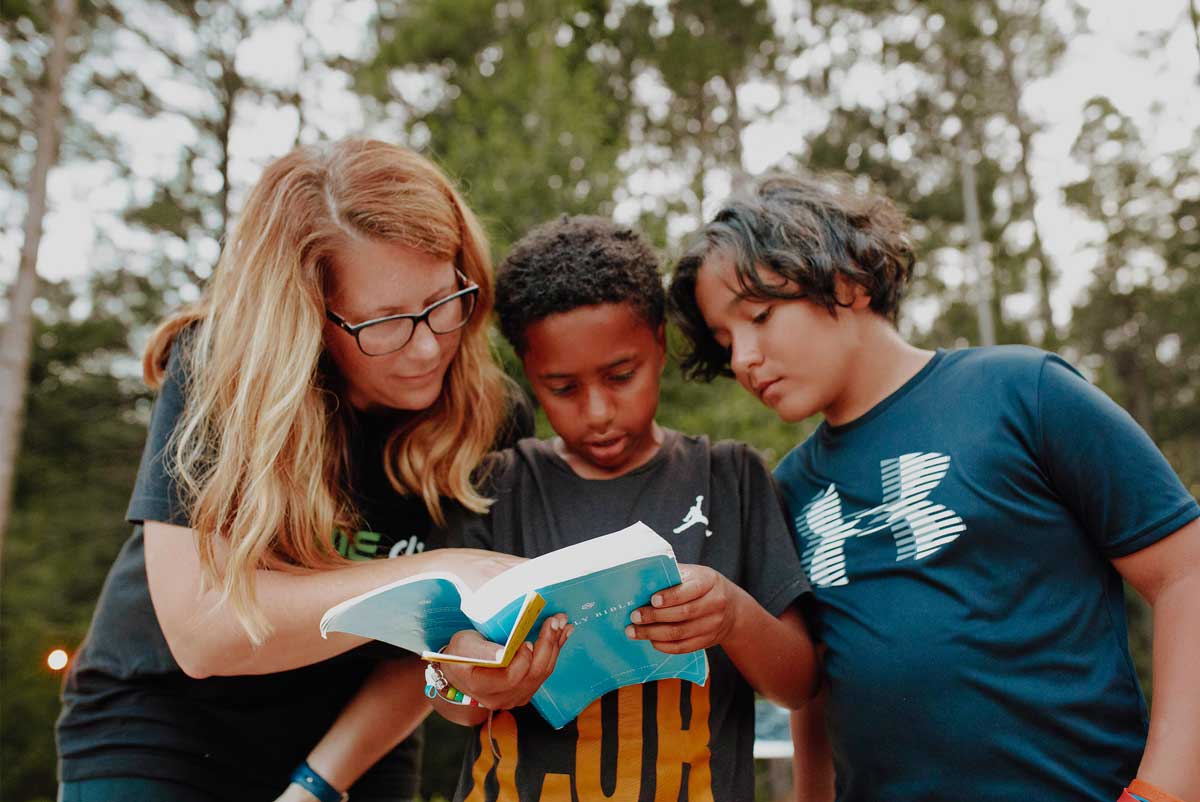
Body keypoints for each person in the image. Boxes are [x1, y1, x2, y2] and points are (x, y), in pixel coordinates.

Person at [666, 173, 1200, 802]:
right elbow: (817, 691)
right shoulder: (789, 487)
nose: (742, 359)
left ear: (848, 281)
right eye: (726, 341)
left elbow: (1184, 574)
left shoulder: (1022, 394)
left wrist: (1163, 790)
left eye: (760, 316)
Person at [55, 139, 540, 802]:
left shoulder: (492, 419)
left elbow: (430, 659)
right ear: (309, 315)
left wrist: (317, 784)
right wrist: (434, 571)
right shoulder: (218, 371)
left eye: (443, 299)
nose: (429, 346)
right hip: (159, 727)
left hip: (356, 743)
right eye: (385, 322)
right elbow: (202, 633)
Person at [425, 216, 819, 802]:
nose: (599, 411)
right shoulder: (494, 488)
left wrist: (733, 615)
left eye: (621, 376)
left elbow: (798, 684)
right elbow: (447, 700)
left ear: (658, 344)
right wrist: (468, 677)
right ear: (529, 373)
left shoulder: (732, 479)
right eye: (563, 388)